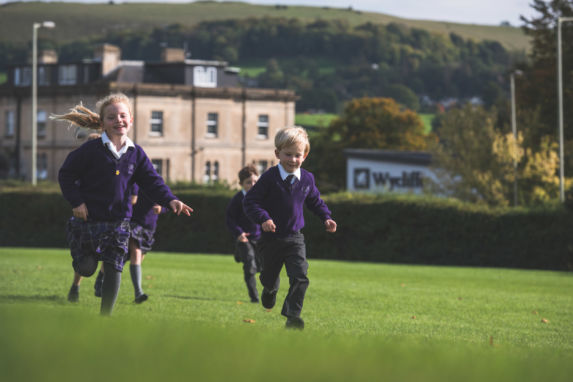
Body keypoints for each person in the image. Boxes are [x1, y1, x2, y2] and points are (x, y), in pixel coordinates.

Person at [54, 93, 193, 315]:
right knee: (87, 269)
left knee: (114, 267)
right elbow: (66, 175)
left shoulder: (136, 153)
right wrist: (77, 202)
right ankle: (84, 260)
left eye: (123, 115)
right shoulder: (90, 150)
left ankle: (105, 319)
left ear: (131, 119)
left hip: (119, 223)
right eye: (112, 117)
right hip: (88, 221)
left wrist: (171, 199)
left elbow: (152, 181)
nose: (118, 120)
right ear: (102, 123)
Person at [243, 126, 337, 330]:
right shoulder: (269, 177)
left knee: (301, 276)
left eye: (297, 155)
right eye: (288, 155)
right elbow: (251, 202)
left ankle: (293, 316)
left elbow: (315, 201)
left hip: (295, 238)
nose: (293, 160)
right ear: (277, 153)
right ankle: (269, 289)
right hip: (271, 239)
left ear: (305, 155)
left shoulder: (307, 179)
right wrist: (264, 218)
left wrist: (326, 218)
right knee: (269, 277)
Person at [93, 184, 163, 304]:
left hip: (149, 229)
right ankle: (138, 292)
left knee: (124, 257)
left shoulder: (156, 181)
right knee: (135, 252)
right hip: (133, 223)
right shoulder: (133, 178)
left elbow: (168, 199)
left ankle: (100, 279)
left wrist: (162, 207)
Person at [66, 132, 101, 303]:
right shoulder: (80, 168)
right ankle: (76, 286)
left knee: (114, 255)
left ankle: (100, 282)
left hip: (107, 222)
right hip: (84, 223)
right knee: (86, 264)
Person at [225, 165, 261, 303]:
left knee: (262, 266)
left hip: (260, 238)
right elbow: (230, 219)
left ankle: (238, 253)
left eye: (255, 182)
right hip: (244, 238)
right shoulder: (238, 200)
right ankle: (254, 297)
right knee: (250, 266)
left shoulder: (263, 198)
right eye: (248, 182)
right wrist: (239, 233)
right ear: (241, 184)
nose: (252, 185)